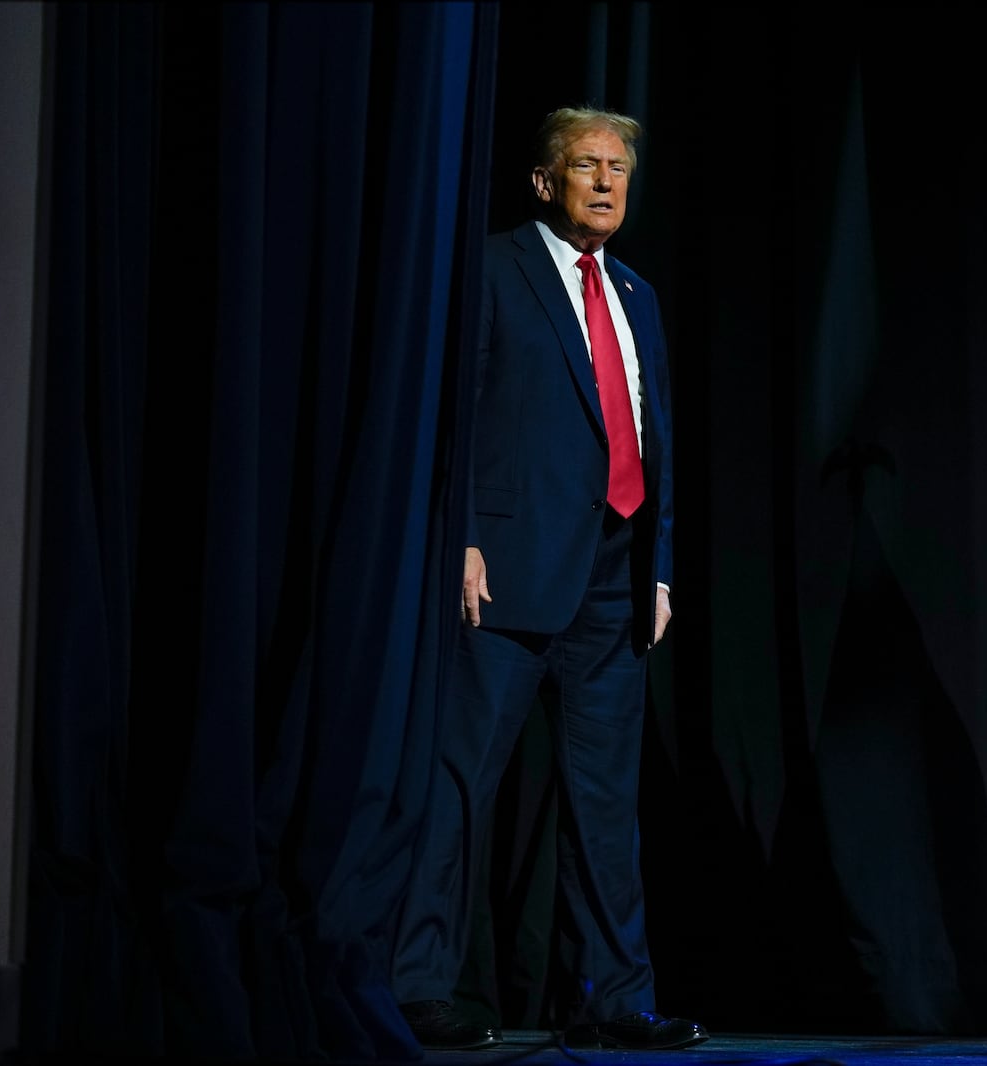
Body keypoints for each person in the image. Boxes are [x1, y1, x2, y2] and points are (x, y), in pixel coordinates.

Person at [390, 106, 706, 1052]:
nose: (607, 183)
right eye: (586, 166)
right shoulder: (495, 269)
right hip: (508, 571)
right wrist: (465, 537)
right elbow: (456, 411)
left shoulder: (638, 294)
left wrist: (657, 563)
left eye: (618, 168)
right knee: (460, 784)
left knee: (606, 802)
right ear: (544, 181)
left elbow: (656, 438)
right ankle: (417, 987)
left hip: (615, 581)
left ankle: (611, 1000)